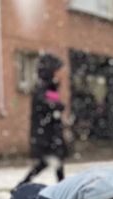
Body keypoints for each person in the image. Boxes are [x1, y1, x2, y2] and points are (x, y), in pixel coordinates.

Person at [20, 53, 67, 185]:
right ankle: (21, 186)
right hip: (46, 135)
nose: (60, 74)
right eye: (58, 70)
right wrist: (59, 106)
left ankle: (21, 185)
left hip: (50, 133)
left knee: (51, 163)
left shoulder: (51, 87)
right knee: (53, 163)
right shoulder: (43, 87)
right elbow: (46, 105)